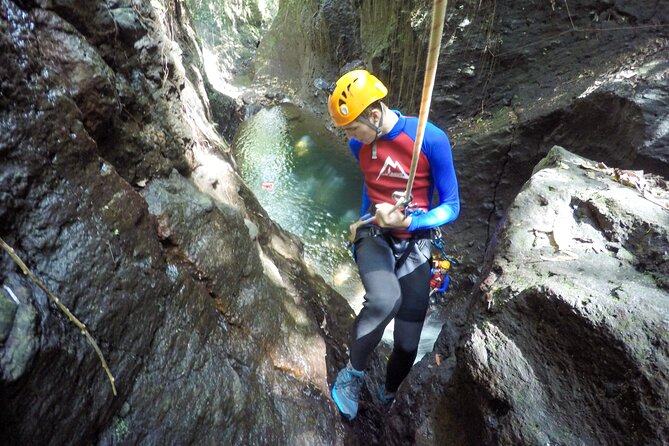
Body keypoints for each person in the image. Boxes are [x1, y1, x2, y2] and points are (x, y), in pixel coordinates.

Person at [326, 69, 460, 420]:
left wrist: (412, 221)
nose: (350, 138)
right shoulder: (360, 143)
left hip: (414, 241)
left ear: (373, 115)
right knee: (386, 299)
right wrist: (361, 218)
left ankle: (388, 393)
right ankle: (351, 376)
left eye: (352, 128)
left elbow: (452, 205)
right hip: (375, 234)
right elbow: (371, 183)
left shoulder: (429, 139)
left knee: (406, 344)